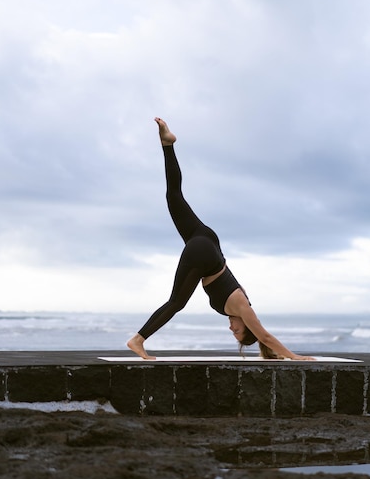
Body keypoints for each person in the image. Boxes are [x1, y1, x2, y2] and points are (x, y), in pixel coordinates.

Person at [127, 118, 314, 361]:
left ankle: (167, 144)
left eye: (232, 332)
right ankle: (138, 339)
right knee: (176, 302)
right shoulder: (244, 309)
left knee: (174, 196)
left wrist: (268, 354)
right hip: (204, 252)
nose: (231, 328)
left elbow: (263, 343)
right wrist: (294, 357)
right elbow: (265, 337)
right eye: (237, 330)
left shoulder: (240, 302)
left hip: (206, 242)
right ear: (247, 325)